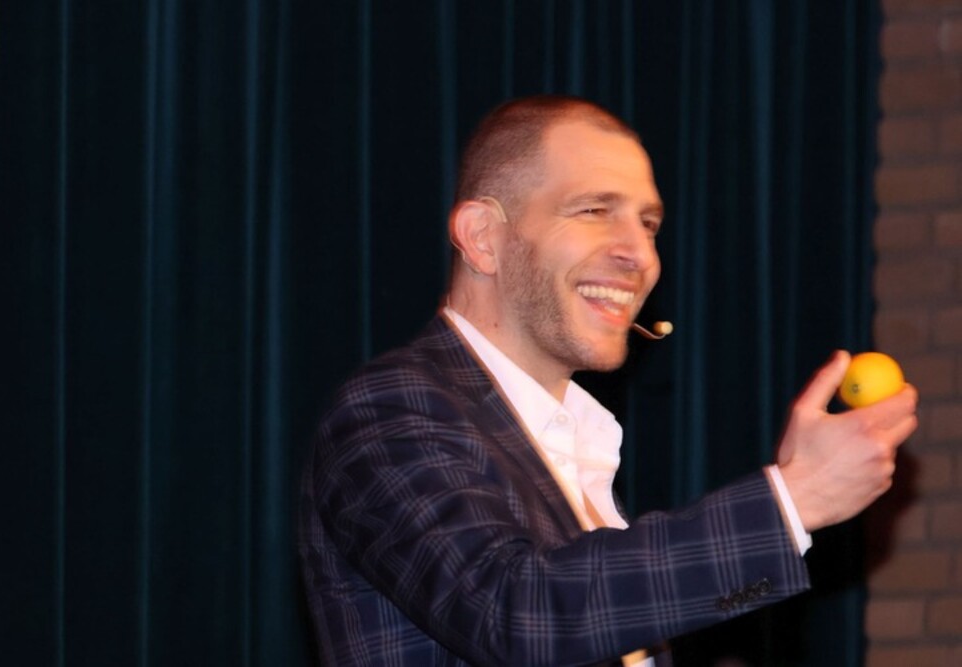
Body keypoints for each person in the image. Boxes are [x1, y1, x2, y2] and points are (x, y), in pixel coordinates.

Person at [298, 95, 918, 666]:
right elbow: (515, 613)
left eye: (648, 224)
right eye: (595, 210)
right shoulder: (387, 411)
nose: (640, 255)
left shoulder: (577, 446)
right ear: (484, 238)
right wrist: (793, 500)